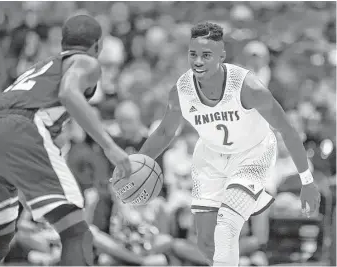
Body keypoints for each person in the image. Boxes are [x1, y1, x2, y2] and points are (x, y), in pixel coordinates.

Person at [137, 21, 321, 266]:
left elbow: (287, 130)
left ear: (221, 56)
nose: (198, 61)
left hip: (251, 156)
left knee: (226, 226)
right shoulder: (182, 89)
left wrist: (307, 182)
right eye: (193, 54)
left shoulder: (248, 87)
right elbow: (164, 133)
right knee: (204, 243)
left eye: (206, 55)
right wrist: (135, 163)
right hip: (212, 156)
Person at [0, 14, 131, 266]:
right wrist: (110, 147)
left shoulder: (39, 69)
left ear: (62, 44)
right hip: (20, 128)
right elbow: (68, 93)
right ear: (97, 46)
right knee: (76, 230)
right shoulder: (86, 61)